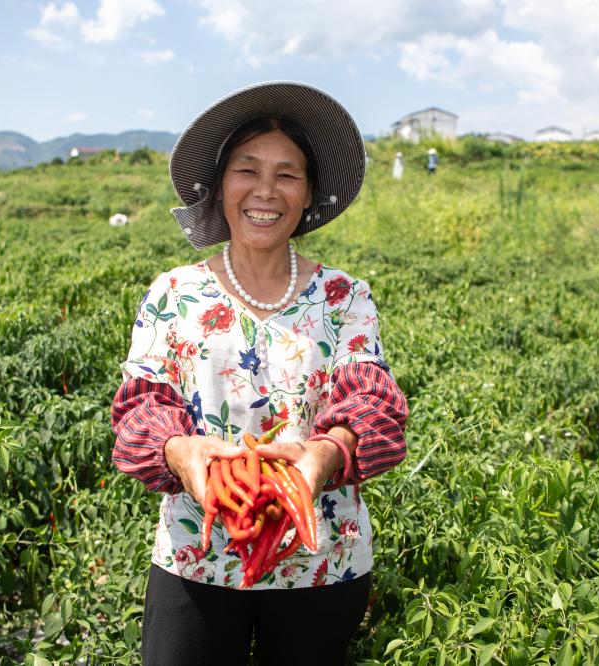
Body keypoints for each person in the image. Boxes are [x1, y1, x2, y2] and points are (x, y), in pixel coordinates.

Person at [110, 81, 408, 665]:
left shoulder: (345, 296)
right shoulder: (174, 293)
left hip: (322, 559)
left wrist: (324, 456)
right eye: (247, 170)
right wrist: (181, 453)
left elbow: (371, 401)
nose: (265, 190)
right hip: (199, 554)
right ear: (220, 186)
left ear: (308, 194)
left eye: (287, 174)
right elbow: (142, 407)